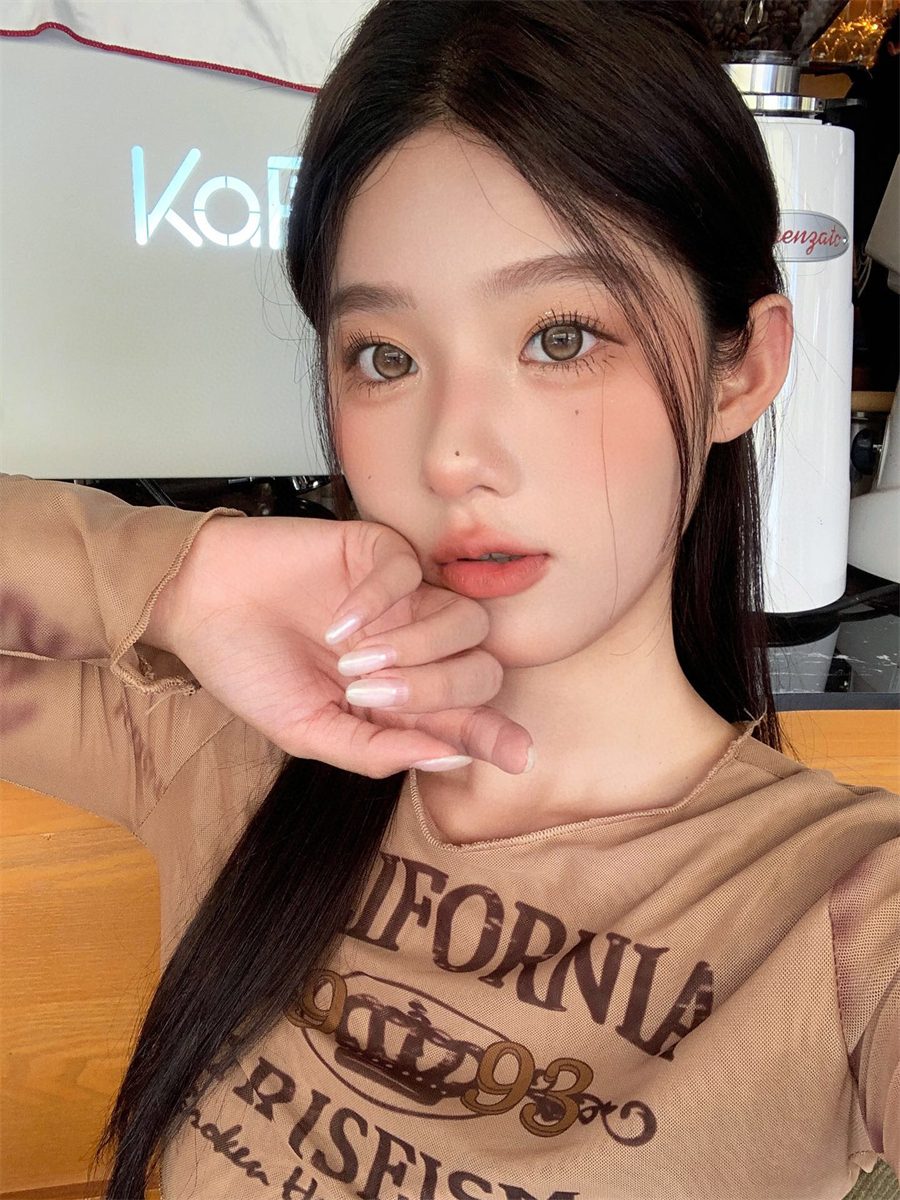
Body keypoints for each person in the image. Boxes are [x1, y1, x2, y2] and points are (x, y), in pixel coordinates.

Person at [0, 3, 897, 1198]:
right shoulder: (225, 753)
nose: (451, 454)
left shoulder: (844, 921)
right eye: (385, 357)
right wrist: (174, 578)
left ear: (744, 367)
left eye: (562, 337)